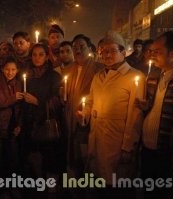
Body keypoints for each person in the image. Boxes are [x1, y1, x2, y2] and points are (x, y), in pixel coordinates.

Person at [81, 31, 144, 198]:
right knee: (100, 185)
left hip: (118, 143)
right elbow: (90, 100)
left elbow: (135, 115)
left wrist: (128, 147)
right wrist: (85, 113)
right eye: (102, 51)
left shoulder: (135, 77)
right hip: (98, 138)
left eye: (111, 50)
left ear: (123, 52)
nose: (106, 55)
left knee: (118, 187)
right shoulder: (98, 76)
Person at [137, 31, 173, 199]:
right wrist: (146, 106)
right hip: (148, 149)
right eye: (152, 51)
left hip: (168, 154)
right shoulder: (154, 76)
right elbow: (154, 107)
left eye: (158, 51)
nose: (152, 55)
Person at [21, 43, 64, 198]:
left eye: (41, 54)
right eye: (34, 54)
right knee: (33, 157)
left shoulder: (54, 76)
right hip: (30, 123)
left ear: (47, 57)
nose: (37, 58)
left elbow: (57, 102)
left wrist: (38, 102)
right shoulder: (27, 75)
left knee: (50, 157)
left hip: (47, 125)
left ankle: (51, 189)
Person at [62, 34, 102, 198]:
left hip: (87, 122)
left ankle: (88, 191)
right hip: (70, 120)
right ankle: (75, 190)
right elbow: (66, 93)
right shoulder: (69, 69)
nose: (78, 50)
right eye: (75, 47)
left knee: (87, 158)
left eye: (81, 46)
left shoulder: (98, 69)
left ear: (90, 48)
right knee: (74, 158)